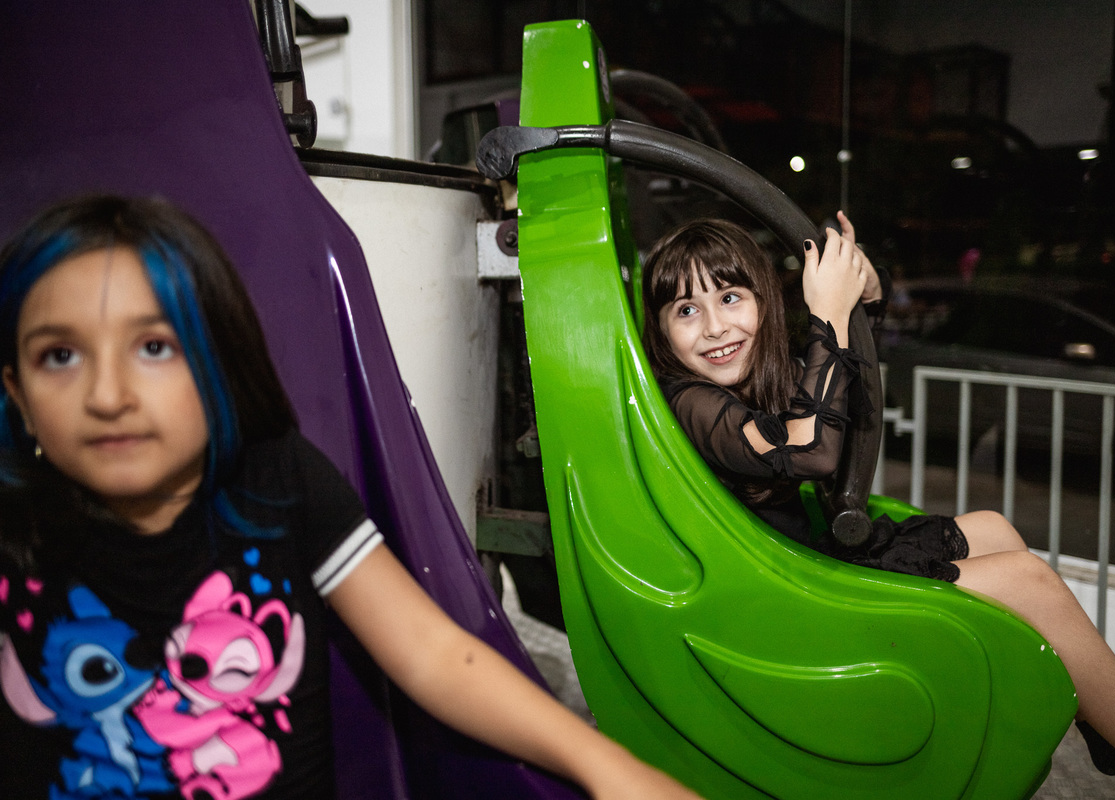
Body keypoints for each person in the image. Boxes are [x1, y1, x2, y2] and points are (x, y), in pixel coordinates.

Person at [0, 195, 703, 800]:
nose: (107, 395)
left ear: (222, 364)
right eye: (60, 355)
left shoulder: (281, 484)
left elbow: (431, 654)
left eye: (153, 347)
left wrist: (607, 766)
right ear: (18, 397)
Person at [641, 212, 1115, 799]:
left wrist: (863, 296)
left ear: (761, 299)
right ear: (662, 332)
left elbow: (843, 394)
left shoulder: (754, 379)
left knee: (993, 528)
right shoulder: (692, 402)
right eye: (686, 310)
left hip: (797, 563)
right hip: (783, 600)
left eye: (730, 297)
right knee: (1028, 582)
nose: (714, 327)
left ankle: (1111, 727)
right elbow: (810, 449)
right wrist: (828, 314)